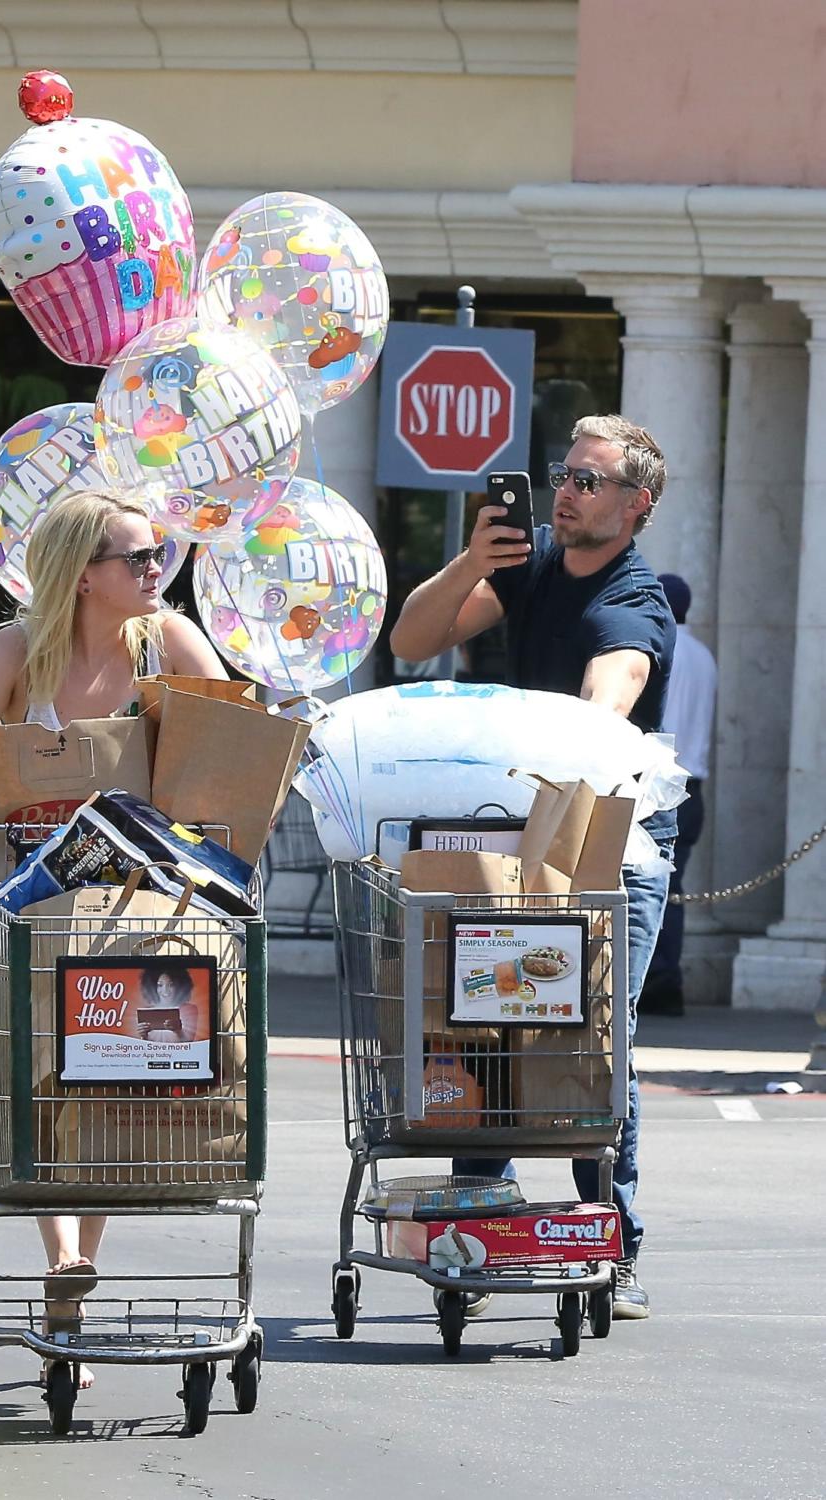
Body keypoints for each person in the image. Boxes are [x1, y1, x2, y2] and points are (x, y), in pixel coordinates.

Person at [0, 489, 227, 1387]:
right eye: (135, 559)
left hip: (138, 908)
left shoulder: (166, 642)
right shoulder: (19, 649)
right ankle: (63, 1267)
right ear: (82, 576)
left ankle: (64, 1275)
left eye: (157, 555)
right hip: (34, 908)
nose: (153, 572)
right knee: (45, 1069)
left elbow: (224, 749)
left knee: (105, 1073)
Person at [390, 414, 676, 1322]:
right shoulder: (535, 558)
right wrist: (473, 560)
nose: (567, 490)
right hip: (522, 836)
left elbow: (614, 685)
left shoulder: (634, 597)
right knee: (487, 1027)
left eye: (589, 481)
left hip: (607, 844)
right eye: (565, 473)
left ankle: (609, 1240)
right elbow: (410, 639)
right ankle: (482, 1223)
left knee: (592, 1040)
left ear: (636, 505)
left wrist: (576, 735)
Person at [640, 574, 717, 1017]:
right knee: (672, 887)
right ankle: (667, 977)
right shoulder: (705, 656)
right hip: (693, 782)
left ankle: (656, 977)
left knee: (648, 885)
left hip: (658, 779)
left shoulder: (660, 646)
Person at [137, 966, 197, 1041]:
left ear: (179, 986)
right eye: (160, 985)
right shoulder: (146, 1011)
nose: (165, 990)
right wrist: (143, 1036)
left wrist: (178, 1031)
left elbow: (190, 1044)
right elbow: (143, 1048)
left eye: (171, 985)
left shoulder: (189, 1010)